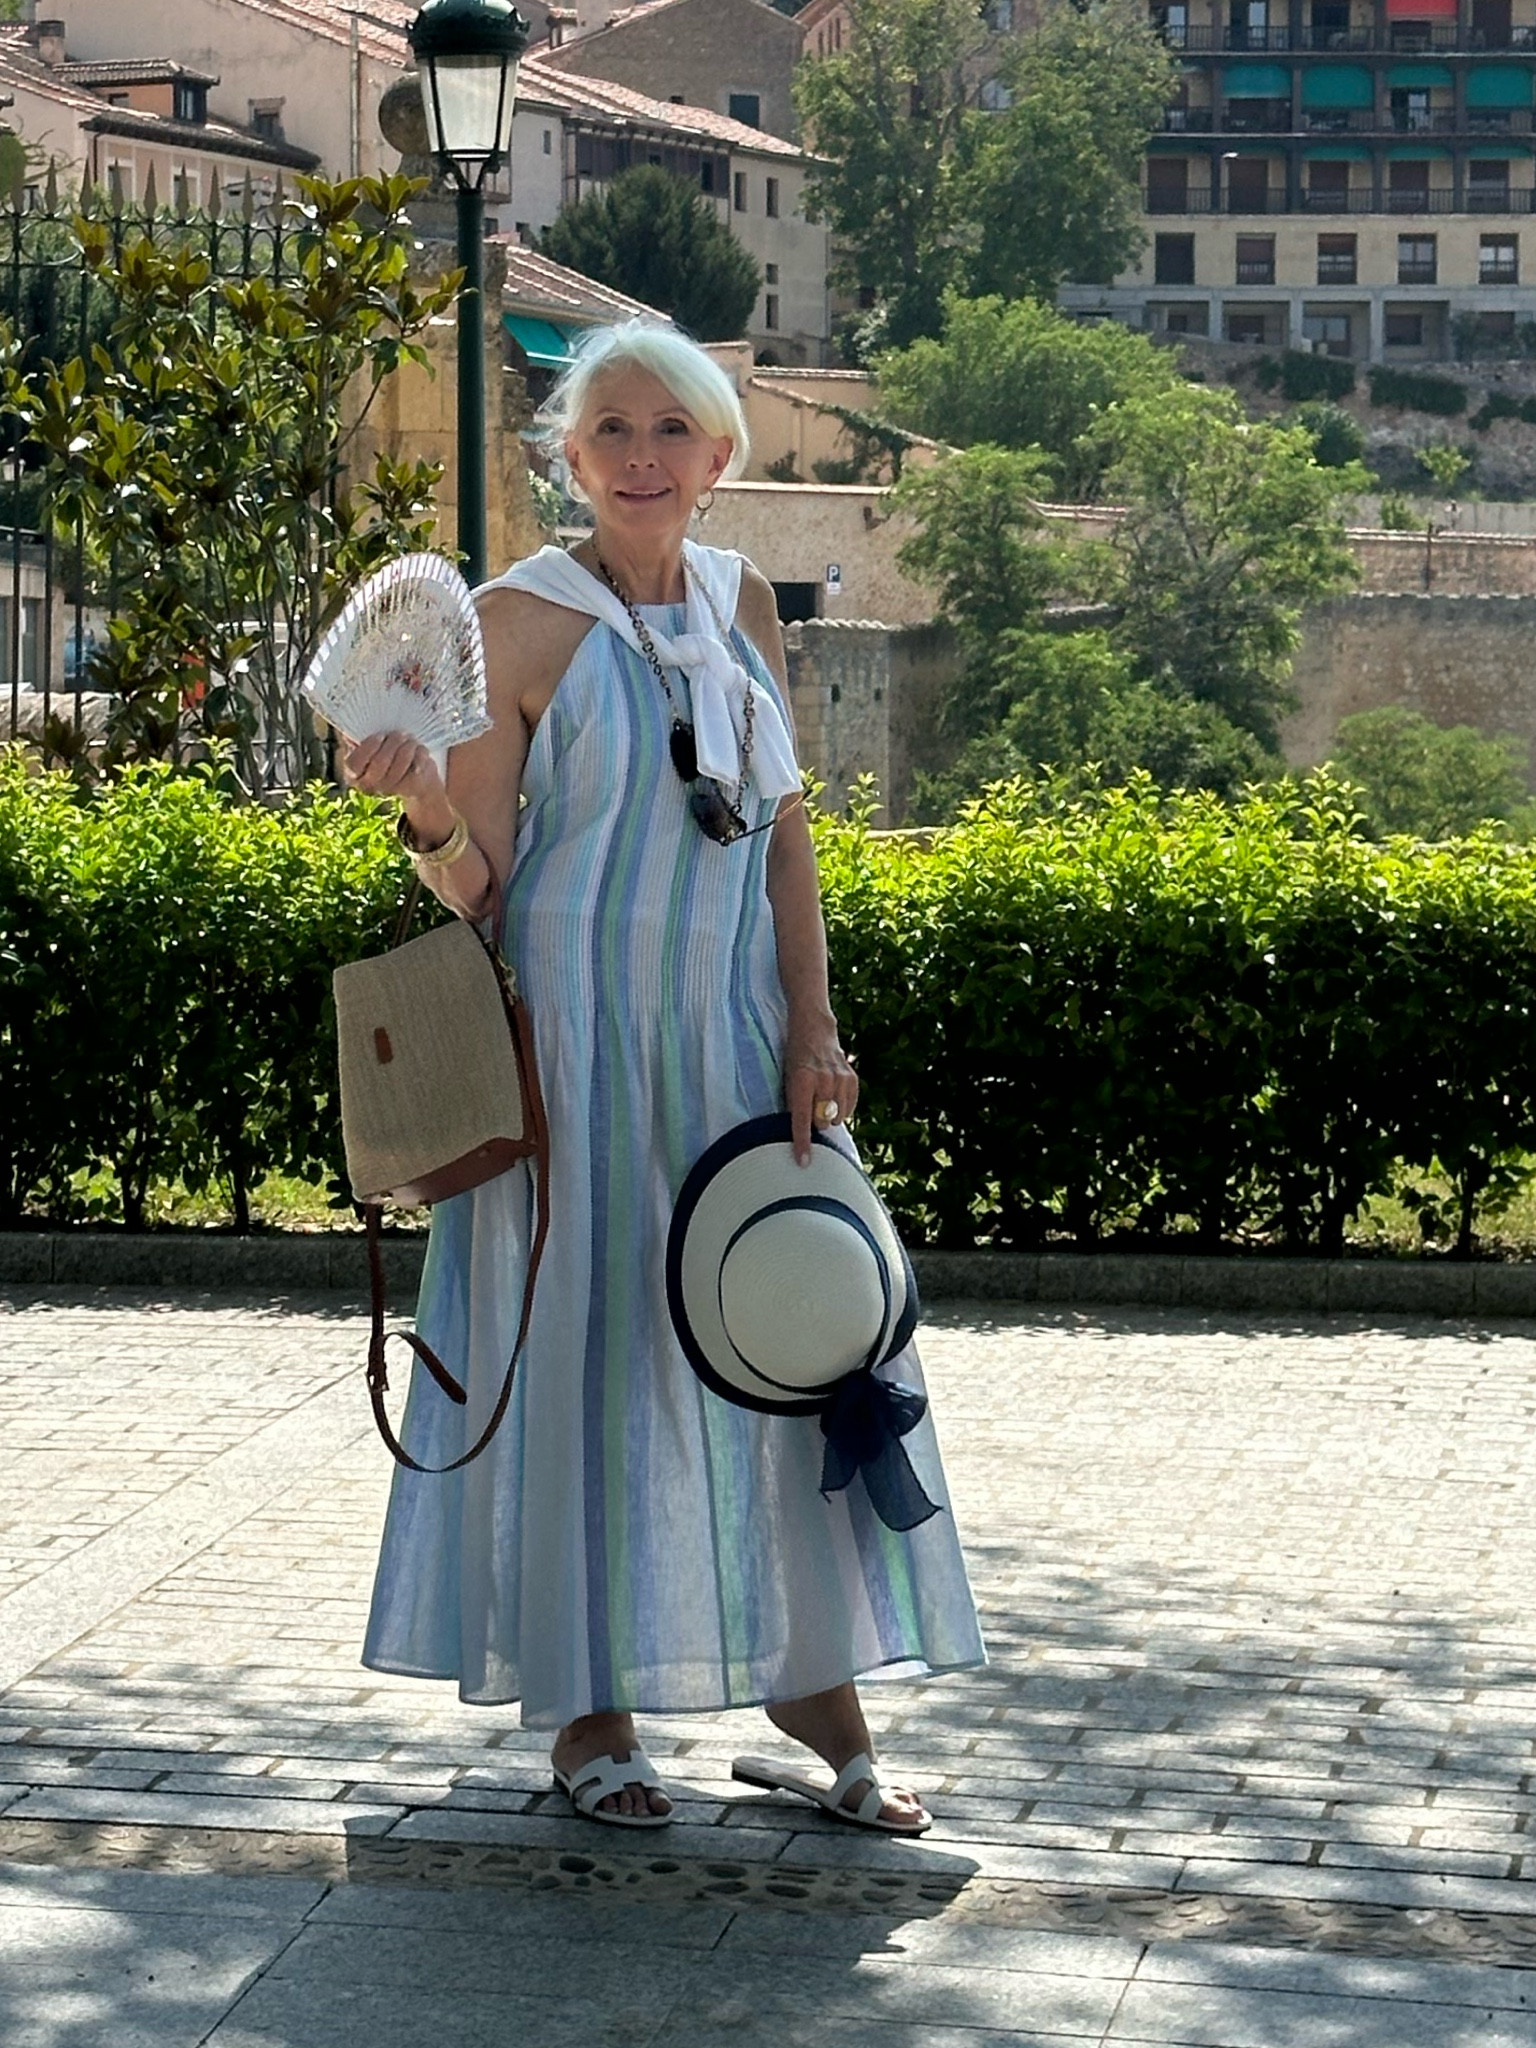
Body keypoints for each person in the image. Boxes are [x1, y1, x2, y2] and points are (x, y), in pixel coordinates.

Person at [346, 319, 984, 1830]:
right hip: (570, 1048)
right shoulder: (515, 619)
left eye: (668, 431)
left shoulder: (744, 597)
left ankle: (803, 1678)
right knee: (585, 1357)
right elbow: (484, 882)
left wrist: (815, 1025)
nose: (640, 457)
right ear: (570, 457)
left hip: (733, 1041)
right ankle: (588, 1712)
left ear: (717, 456)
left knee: (795, 1331)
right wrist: (427, 808)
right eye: (610, 432)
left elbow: (786, 836)